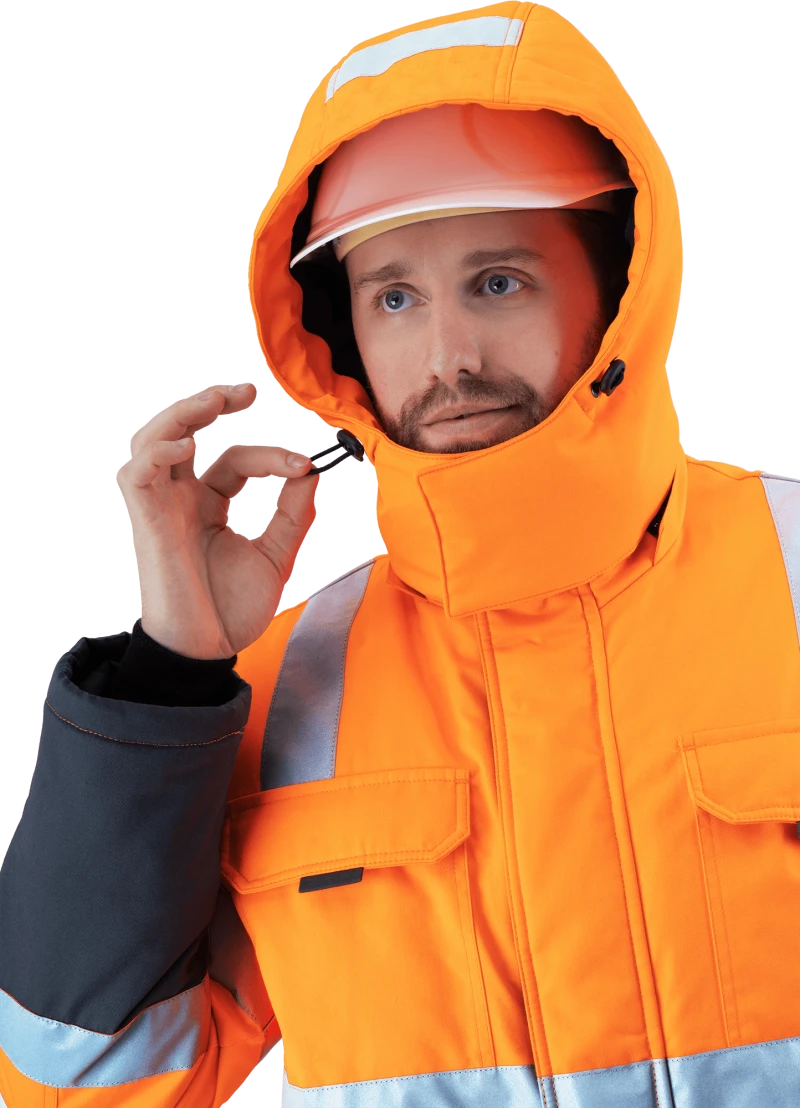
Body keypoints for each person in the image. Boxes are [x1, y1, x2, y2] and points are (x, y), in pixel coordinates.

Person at [1, 5, 798, 1108]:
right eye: (394, 298)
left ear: (617, 290)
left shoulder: (794, 577)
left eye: (498, 281)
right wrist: (171, 675)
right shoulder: (284, 688)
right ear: (343, 337)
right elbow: (80, 1082)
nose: (447, 357)